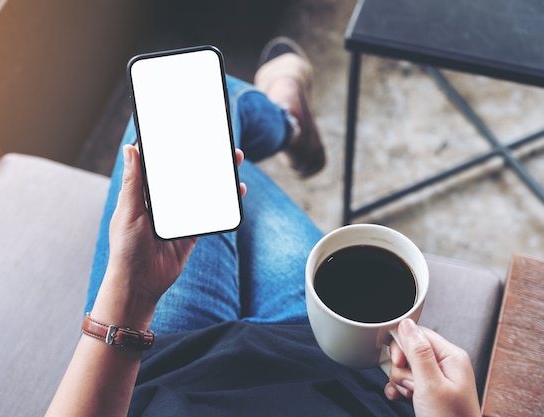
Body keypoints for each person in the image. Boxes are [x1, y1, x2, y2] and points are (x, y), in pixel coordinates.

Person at [46, 38, 481, 417]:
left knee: (202, 107)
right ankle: (289, 122)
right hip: (322, 351)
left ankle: (286, 121)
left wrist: (133, 290)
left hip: (161, 358)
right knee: (210, 112)